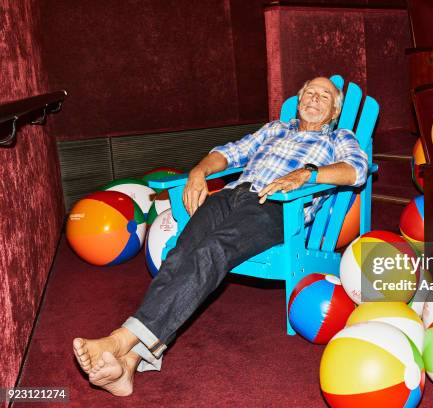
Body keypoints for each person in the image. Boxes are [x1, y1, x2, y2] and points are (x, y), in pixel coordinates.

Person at [72, 77, 369, 396]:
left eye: (324, 96)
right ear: (298, 102)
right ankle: (129, 364)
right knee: (181, 253)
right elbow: (227, 153)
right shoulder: (275, 130)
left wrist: (308, 174)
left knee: (212, 250)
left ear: (334, 110)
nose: (314, 98)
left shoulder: (340, 137)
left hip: (276, 206)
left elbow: (357, 169)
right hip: (229, 196)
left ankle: (120, 339)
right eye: (309, 92)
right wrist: (199, 172)